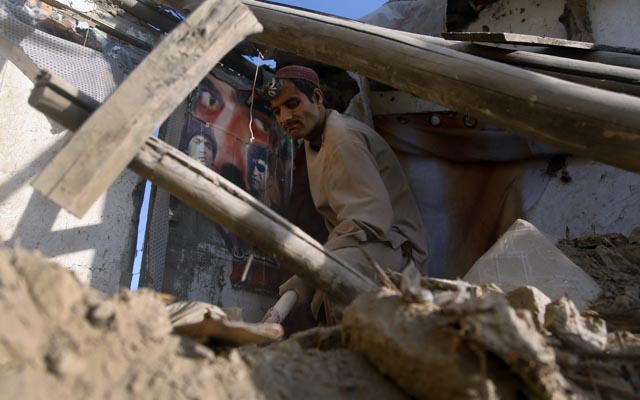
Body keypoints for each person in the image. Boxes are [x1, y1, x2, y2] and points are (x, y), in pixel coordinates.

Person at [267, 65, 428, 322]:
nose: (285, 117)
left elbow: (369, 220)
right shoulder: (312, 143)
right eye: (277, 111)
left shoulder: (342, 138)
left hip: (397, 250)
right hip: (364, 243)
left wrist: (310, 271)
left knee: (333, 273)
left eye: (293, 104)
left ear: (317, 98)